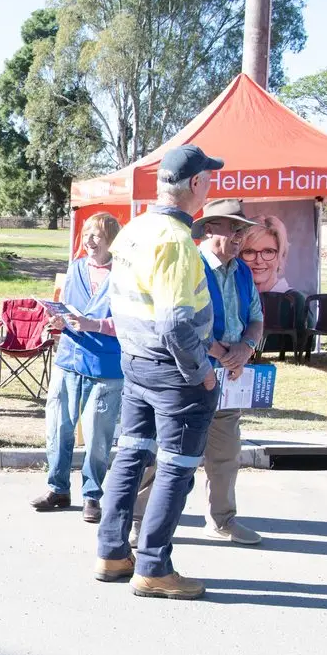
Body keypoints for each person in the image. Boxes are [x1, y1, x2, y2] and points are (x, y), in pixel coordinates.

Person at [94, 144, 222, 601]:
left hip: (137, 363)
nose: (210, 184)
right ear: (194, 185)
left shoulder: (134, 229)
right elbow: (174, 321)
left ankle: (111, 553)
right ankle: (153, 567)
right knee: (176, 469)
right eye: (208, 178)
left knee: (130, 454)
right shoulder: (175, 240)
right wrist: (202, 370)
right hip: (173, 374)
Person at [130, 200, 266, 546]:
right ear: (209, 229)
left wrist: (246, 348)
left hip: (228, 376)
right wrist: (222, 352)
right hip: (188, 375)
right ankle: (138, 522)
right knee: (166, 452)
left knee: (226, 453)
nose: (240, 236)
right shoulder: (188, 264)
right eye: (233, 228)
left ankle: (222, 520)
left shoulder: (242, 271)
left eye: (242, 229)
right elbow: (178, 323)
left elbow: (255, 318)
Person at [31, 213, 124, 523]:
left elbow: (129, 322)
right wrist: (57, 321)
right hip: (69, 359)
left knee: (98, 435)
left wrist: (93, 324)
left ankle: (92, 495)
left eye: (96, 235)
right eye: (86, 234)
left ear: (111, 239)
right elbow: (68, 309)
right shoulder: (75, 268)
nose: (89, 240)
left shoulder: (125, 274)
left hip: (106, 365)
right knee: (58, 427)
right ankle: (57, 487)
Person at [242, 215, 290, 292]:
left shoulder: (293, 300)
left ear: (281, 255)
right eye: (249, 252)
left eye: (268, 252)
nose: (258, 261)